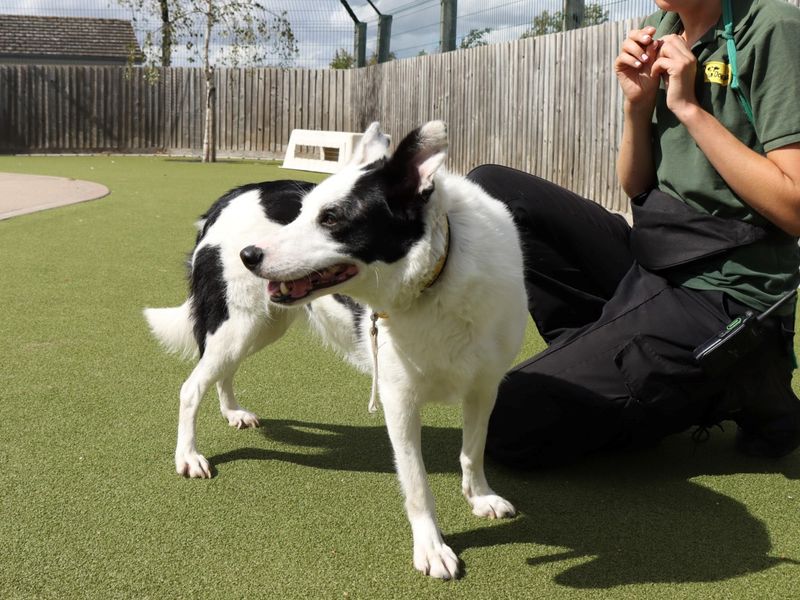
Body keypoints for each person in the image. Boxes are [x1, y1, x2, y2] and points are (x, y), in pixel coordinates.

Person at [468, 0, 800, 468]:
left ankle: (739, 383)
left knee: (501, 420)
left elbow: (794, 207)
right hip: (654, 262)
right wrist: (637, 104)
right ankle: (612, 362)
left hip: (726, 296)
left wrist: (688, 109)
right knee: (491, 194)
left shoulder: (772, 28)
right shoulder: (664, 28)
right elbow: (636, 186)